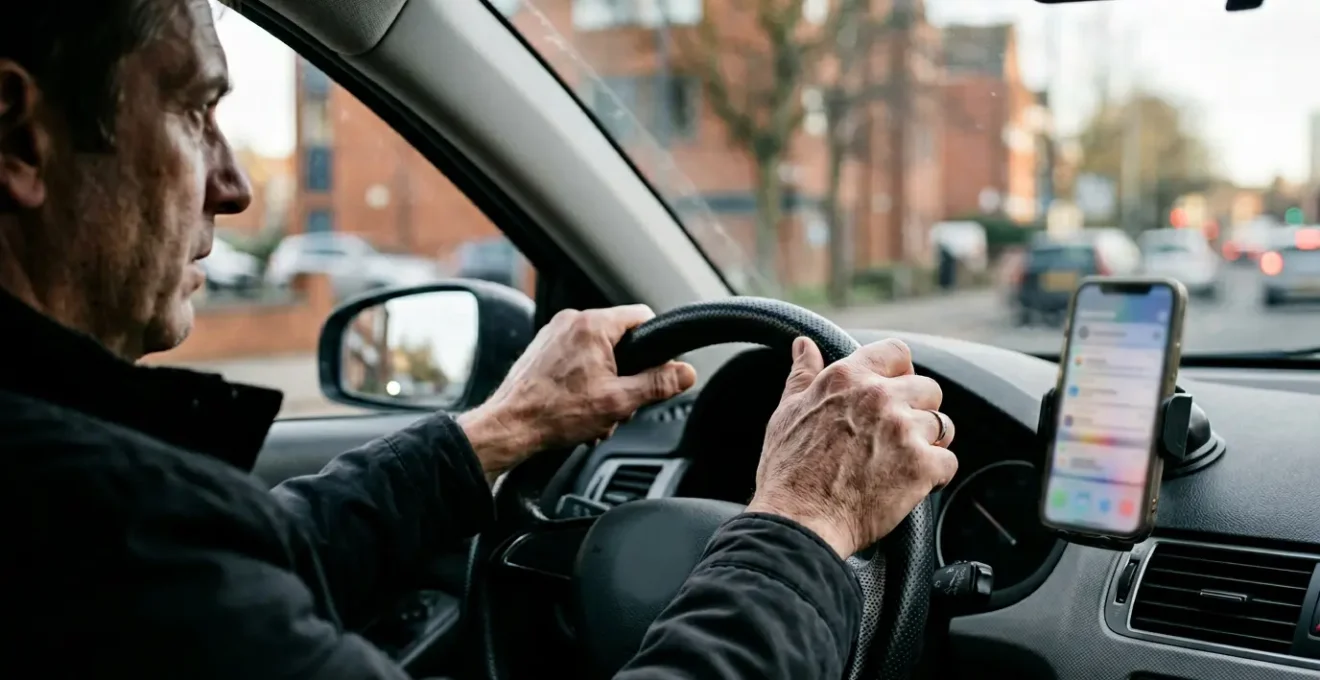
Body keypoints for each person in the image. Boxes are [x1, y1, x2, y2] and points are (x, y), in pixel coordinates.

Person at [0, 2, 958, 678]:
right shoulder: (88, 526)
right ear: (18, 134)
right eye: (194, 109)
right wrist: (801, 526)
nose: (235, 183)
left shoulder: (79, 509)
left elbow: (257, 556)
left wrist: (495, 433)